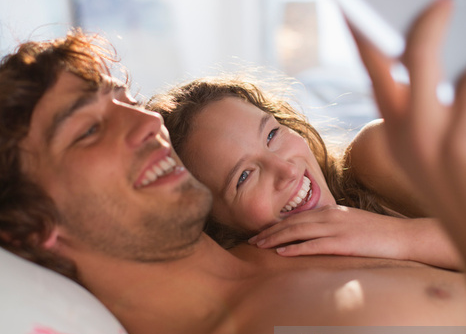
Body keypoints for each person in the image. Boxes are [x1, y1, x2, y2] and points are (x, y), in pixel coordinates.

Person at [2, 8, 466, 334]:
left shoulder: (303, 231)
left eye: (124, 98)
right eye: (88, 130)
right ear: (29, 227)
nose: (146, 122)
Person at [150, 74, 461, 270]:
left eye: (272, 135)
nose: (285, 169)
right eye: (244, 176)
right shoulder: (272, 288)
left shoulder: (379, 158)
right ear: (216, 227)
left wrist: (399, 237)